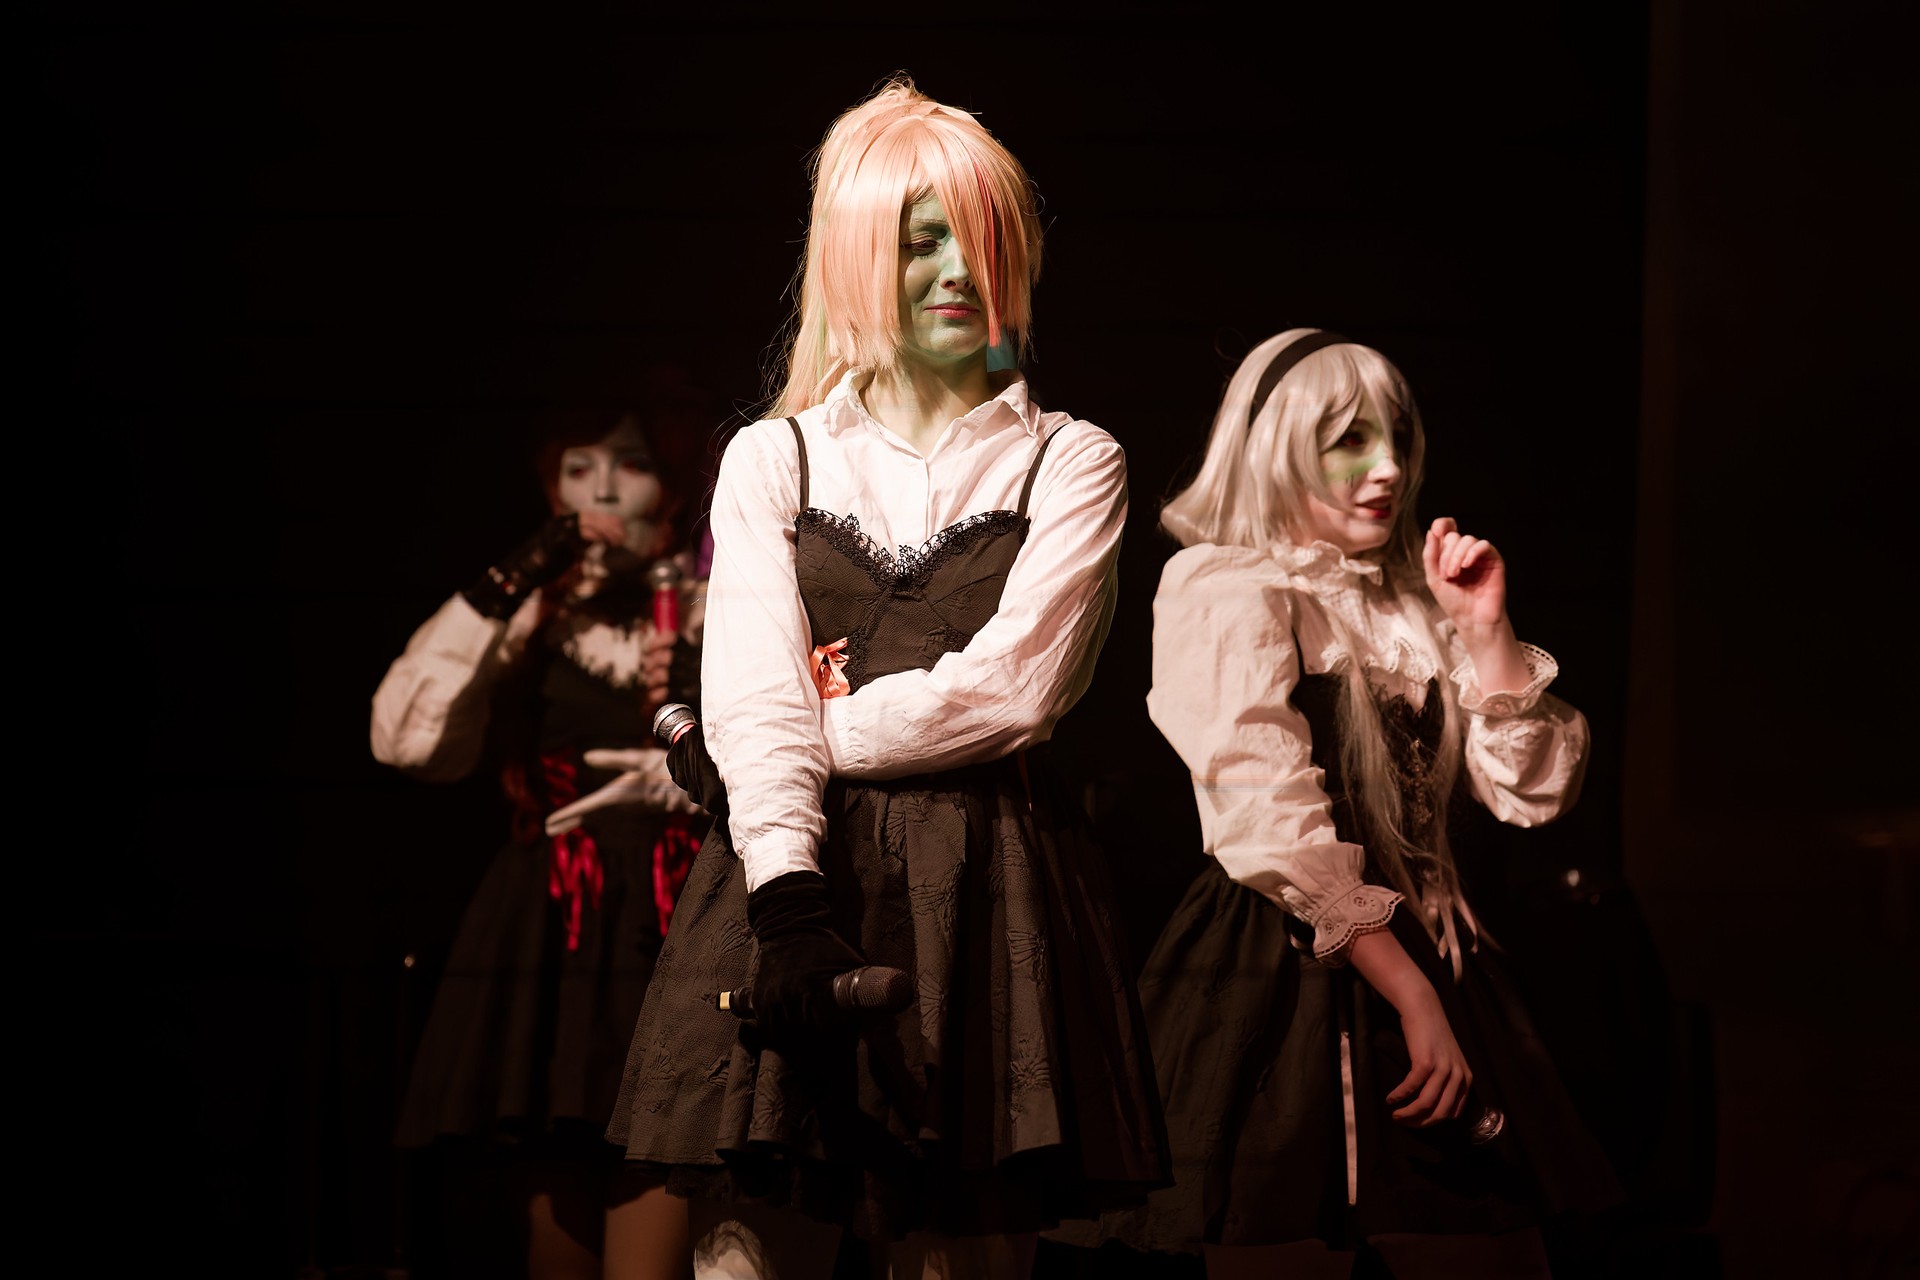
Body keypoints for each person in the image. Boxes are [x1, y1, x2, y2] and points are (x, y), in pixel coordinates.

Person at [605, 77, 1169, 1280]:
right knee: (748, 1254)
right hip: (790, 877)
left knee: (963, 1255)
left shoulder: (1074, 458)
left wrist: (781, 727)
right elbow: (747, 686)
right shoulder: (772, 455)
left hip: (991, 889)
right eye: (921, 240)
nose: (959, 267)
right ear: (860, 255)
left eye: (981, 236)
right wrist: (786, 893)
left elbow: (1014, 692)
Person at [1090, 330, 1620, 1279]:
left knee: (1492, 1249)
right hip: (1290, 964)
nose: (1388, 469)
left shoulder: (1412, 603)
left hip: (1439, 956)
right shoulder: (1228, 585)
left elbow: (1529, 795)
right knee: (1291, 1241)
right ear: (1279, 446)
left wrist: (1486, 633)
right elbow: (1261, 803)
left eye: (1397, 438)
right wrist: (1409, 991)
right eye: (1350, 440)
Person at [372, 405, 707, 1280]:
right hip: (556, 920)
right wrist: (525, 567)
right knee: (557, 1184)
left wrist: (695, 769)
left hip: (680, 913)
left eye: (629, 465)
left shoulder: (719, 606)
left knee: (666, 1156)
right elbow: (405, 741)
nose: (602, 490)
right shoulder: (532, 614)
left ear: (672, 487)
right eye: (578, 468)